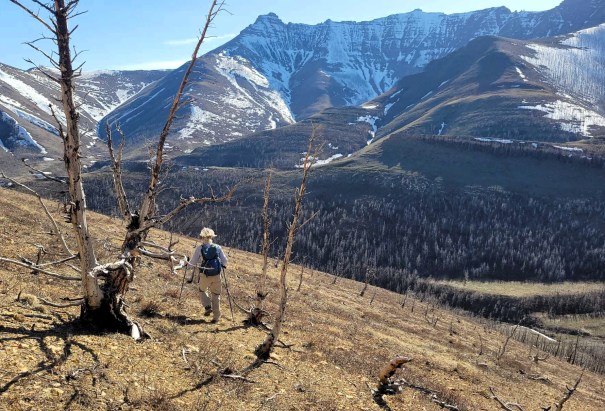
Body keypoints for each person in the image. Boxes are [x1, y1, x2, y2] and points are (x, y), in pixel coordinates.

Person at [189, 227, 228, 323]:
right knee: (216, 294)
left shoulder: (200, 248)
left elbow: (193, 262)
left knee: (202, 290)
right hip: (216, 274)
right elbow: (225, 261)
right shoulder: (218, 247)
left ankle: (207, 306)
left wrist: (187, 265)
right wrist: (222, 265)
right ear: (212, 237)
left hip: (204, 274)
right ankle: (216, 318)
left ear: (202, 237)